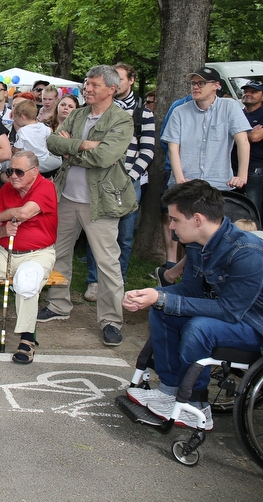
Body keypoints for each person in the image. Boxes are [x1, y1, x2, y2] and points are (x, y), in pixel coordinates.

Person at [123, 180, 263, 431]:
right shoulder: (198, 243)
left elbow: (229, 311)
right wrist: (153, 294)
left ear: (197, 219)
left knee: (199, 328)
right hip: (232, 314)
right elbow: (191, 289)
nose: (172, 226)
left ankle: (197, 406)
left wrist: (163, 297)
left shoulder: (246, 251)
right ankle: (169, 390)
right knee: (163, 309)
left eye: (175, 219)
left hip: (254, 324)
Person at [43, 64, 136, 347]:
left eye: (94, 85)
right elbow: (52, 142)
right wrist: (85, 145)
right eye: (87, 83)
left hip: (101, 202)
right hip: (67, 197)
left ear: (111, 88)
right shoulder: (79, 113)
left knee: (107, 262)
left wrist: (72, 147)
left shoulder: (121, 120)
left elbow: (105, 157)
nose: (88, 88)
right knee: (58, 254)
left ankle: (111, 320)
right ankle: (58, 305)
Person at [0, 151, 57, 363]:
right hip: (5, 250)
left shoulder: (45, 187)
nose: (13, 176)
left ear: (34, 172)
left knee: (26, 281)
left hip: (38, 253)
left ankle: (28, 339)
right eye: (10, 171)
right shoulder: (6, 189)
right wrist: (3, 229)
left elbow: (24, 213)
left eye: (19, 172)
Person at [83, 62, 155, 302]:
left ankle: (118, 281)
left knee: (123, 236)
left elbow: (147, 151)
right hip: (101, 180)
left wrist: (130, 177)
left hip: (129, 182)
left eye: (121, 78)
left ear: (129, 81)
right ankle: (94, 281)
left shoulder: (142, 113)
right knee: (98, 233)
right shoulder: (97, 111)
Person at [163, 66, 250, 192]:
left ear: (216, 85)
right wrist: (180, 179)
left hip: (219, 185)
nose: (195, 87)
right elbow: (173, 148)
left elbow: (243, 141)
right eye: (193, 83)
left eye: (201, 83)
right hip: (186, 186)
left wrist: (242, 176)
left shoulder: (229, 107)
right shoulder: (179, 111)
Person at [11, 99, 62, 176]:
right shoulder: (43, 127)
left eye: (15, 118)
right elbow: (51, 133)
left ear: (23, 117)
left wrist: (13, 151)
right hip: (44, 159)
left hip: (29, 161)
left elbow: (17, 149)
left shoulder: (22, 131)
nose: (15, 120)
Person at [241, 82, 263, 216]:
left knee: (253, 207)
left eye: (253, 92)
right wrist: (249, 133)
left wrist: (240, 134)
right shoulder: (237, 113)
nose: (247, 94)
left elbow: (255, 137)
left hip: (256, 168)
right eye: (245, 92)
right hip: (234, 168)